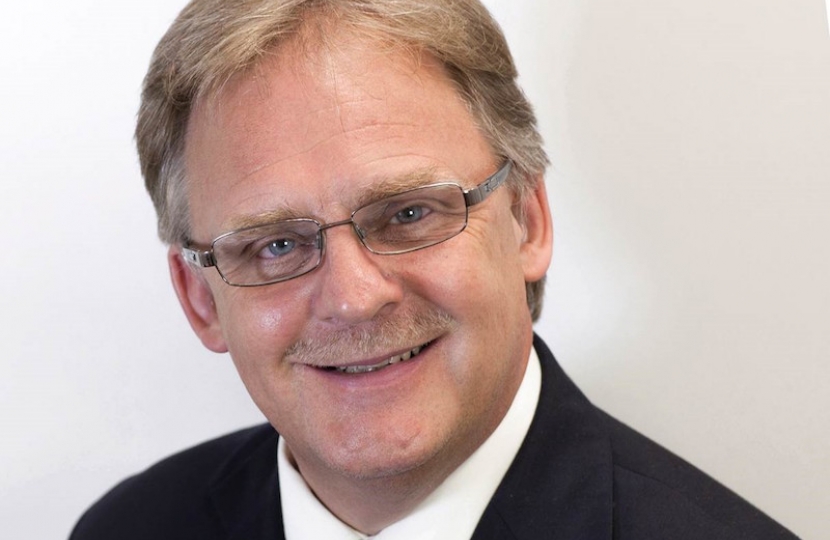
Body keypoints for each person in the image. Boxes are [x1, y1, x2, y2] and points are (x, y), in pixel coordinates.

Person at [71, 1, 798, 538]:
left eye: (409, 213)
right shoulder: (128, 528)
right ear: (200, 299)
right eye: (275, 246)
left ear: (527, 222)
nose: (353, 298)